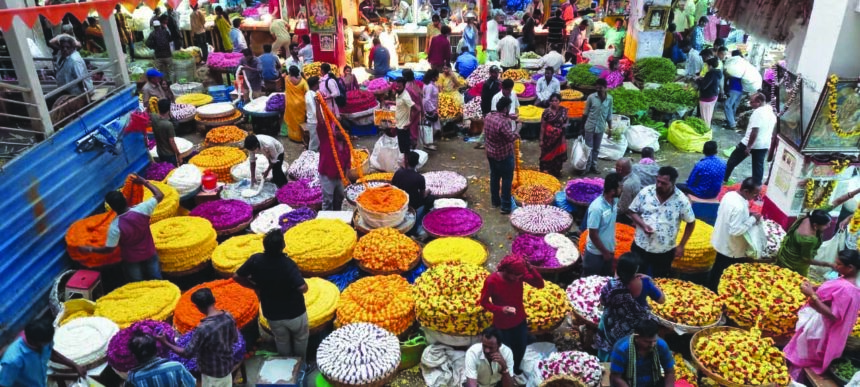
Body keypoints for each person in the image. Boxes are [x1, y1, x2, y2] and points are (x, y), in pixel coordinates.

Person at [784, 250, 860, 381]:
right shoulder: (845, 278)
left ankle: (795, 380)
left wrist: (811, 296)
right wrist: (815, 288)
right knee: (800, 353)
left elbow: (833, 315)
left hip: (822, 330)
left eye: (839, 264)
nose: (835, 266)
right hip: (818, 325)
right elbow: (832, 292)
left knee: (803, 357)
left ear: (850, 268)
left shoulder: (848, 289)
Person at [235, 230, 309, 357]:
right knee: (300, 338)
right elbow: (302, 287)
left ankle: (287, 364)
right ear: (283, 246)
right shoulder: (287, 264)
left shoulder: (256, 260)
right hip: (294, 311)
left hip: (272, 312)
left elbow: (237, 276)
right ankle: (300, 362)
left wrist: (253, 286)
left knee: (281, 339)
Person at [80, 174, 164, 282]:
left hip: (131, 259)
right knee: (157, 280)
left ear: (112, 207)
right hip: (149, 252)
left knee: (137, 284)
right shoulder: (142, 209)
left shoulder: (115, 227)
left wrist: (90, 248)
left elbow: (109, 249)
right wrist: (144, 182)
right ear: (124, 198)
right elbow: (159, 195)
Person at [158, 288, 239, 387]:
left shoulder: (203, 328)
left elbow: (187, 353)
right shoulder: (228, 316)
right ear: (214, 299)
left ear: (198, 307)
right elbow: (235, 339)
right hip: (226, 366)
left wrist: (166, 342)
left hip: (212, 374)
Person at [480, 254, 544, 378]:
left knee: (520, 347)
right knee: (505, 351)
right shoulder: (492, 281)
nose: (516, 279)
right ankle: (504, 374)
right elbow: (484, 302)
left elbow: (539, 284)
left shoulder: (519, 276)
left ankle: (516, 369)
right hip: (502, 324)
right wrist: (501, 309)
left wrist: (531, 269)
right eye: (514, 275)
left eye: (519, 276)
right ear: (505, 270)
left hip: (519, 319)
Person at [628, 166, 696, 278]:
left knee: (660, 280)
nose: (659, 185)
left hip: (664, 250)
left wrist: (682, 245)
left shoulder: (681, 201)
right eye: (658, 181)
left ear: (673, 183)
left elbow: (691, 222)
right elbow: (632, 211)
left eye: (664, 183)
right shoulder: (646, 192)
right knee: (637, 277)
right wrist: (643, 225)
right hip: (641, 245)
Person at [775, 188, 860, 276]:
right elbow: (806, 259)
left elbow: (838, 201)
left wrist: (857, 191)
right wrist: (827, 264)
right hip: (794, 264)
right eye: (826, 225)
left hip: (786, 252)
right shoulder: (808, 239)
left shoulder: (812, 215)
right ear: (815, 226)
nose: (829, 226)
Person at [596, 253, 664, 359]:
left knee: (604, 318)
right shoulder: (645, 283)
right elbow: (662, 300)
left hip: (612, 324)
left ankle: (605, 359)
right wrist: (650, 281)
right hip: (635, 326)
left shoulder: (612, 285)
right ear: (636, 270)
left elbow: (603, 302)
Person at [709, 177, 761, 291]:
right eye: (755, 194)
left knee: (718, 268)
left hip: (721, 240)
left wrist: (748, 215)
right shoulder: (739, 207)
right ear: (746, 191)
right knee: (724, 273)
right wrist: (752, 219)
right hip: (730, 247)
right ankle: (717, 291)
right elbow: (735, 230)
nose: (756, 197)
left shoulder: (730, 195)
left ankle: (712, 287)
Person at [0, 319, 85, 386]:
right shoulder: (13, 361)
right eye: (47, 342)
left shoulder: (43, 340)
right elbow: (4, 384)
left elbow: (51, 353)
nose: (49, 343)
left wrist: (74, 365)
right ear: (35, 342)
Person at [724, 93, 776, 185]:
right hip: (763, 144)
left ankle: (724, 179)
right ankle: (757, 187)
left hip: (749, 143)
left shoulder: (758, 112)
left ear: (758, 102)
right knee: (758, 168)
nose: (750, 104)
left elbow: (755, 131)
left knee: (732, 160)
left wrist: (749, 147)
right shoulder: (771, 111)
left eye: (752, 102)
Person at [609, 319, 676, 387]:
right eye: (647, 342)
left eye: (654, 341)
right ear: (637, 337)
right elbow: (616, 378)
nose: (652, 345)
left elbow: (669, 372)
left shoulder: (661, 345)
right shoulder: (622, 349)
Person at [315, 88, 351, 211]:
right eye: (342, 131)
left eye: (346, 132)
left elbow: (347, 163)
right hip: (327, 176)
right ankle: (327, 220)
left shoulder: (346, 144)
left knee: (340, 197)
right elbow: (320, 122)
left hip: (339, 177)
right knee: (327, 200)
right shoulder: (327, 137)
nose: (344, 134)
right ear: (336, 130)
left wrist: (346, 178)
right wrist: (317, 104)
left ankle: (337, 216)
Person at [484, 97, 519, 215]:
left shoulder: (488, 116)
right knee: (506, 180)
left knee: (494, 177)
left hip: (491, 153)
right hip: (504, 155)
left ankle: (495, 201)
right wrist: (518, 128)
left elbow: (498, 120)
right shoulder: (504, 122)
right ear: (505, 108)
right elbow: (511, 137)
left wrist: (508, 117)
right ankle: (505, 206)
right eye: (508, 108)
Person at [584, 173, 623, 276]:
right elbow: (593, 234)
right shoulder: (596, 208)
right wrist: (605, 252)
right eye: (620, 187)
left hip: (609, 249)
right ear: (612, 191)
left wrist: (609, 251)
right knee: (591, 280)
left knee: (604, 279)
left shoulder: (614, 201)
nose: (622, 189)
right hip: (596, 253)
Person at [126, 333, 196, 386]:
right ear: (156, 350)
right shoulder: (177, 367)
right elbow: (191, 385)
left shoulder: (133, 378)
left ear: (134, 355)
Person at [392, 151, 431, 236]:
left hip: (399, 201)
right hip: (412, 203)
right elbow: (423, 195)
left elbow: (393, 188)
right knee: (431, 199)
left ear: (406, 161)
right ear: (417, 163)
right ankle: (420, 221)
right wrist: (428, 192)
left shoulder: (398, 173)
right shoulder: (420, 178)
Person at [582, 78, 613, 175]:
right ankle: (586, 167)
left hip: (600, 127)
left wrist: (610, 128)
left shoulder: (609, 99)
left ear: (605, 88)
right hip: (590, 127)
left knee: (596, 148)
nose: (598, 90)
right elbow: (585, 113)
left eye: (601, 88)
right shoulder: (591, 98)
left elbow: (609, 114)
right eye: (597, 88)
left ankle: (593, 166)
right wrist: (581, 128)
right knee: (588, 148)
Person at [539, 93, 568, 176]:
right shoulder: (546, 112)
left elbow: (566, 121)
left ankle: (556, 171)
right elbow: (543, 126)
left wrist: (561, 128)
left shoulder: (563, 110)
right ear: (550, 102)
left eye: (556, 101)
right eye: (552, 101)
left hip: (559, 138)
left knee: (558, 155)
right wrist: (541, 140)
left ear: (559, 101)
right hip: (548, 138)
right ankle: (545, 171)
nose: (554, 102)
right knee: (546, 154)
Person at [475, 66, 502, 150]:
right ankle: (480, 142)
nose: (496, 74)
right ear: (490, 73)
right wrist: (485, 111)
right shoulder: (488, 84)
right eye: (494, 72)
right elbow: (484, 98)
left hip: (495, 108)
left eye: (497, 72)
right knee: (488, 127)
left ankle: (481, 142)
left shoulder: (497, 82)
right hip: (488, 109)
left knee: (488, 127)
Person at [150, 99, 182, 166]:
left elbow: (146, 112)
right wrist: (178, 153)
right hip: (169, 154)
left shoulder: (153, 117)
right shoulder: (168, 125)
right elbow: (171, 141)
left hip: (159, 152)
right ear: (168, 109)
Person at [394, 77, 418, 155]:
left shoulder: (405, 97)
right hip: (398, 124)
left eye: (399, 87)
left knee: (405, 149)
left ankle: (407, 164)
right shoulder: (398, 93)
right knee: (402, 147)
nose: (397, 88)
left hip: (403, 126)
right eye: (396, 86)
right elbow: (400, 105)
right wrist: (389, 102)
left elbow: (417, 109)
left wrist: (410, 122)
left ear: (404, 86)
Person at [282, 66, 308, 139]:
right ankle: (300, 137)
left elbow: (283, 75)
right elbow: (308, 92)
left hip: (290, 103)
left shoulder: (287, 79)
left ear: (290, 72)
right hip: (300, 104)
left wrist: (285, 73)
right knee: (299, 120)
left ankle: (292, 136)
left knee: (291, 120)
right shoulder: (303, 81)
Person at [696, 57, 721, 128]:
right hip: (713, 96)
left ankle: (706, 132)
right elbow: (710, 82)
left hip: (707, 98)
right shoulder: (717, 73)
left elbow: (704, 86)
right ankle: (707, 129)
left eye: (706, 65)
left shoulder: (711, 73)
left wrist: (697, 80)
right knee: (708, 115)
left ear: (710, 65)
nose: (706, 67)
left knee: (705, 117)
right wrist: (702, 78)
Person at [616, 158, 640, 226]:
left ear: (620, 170)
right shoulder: (635, 176)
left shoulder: (627, 185)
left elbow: (622, 209)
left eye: (616, 168)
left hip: (629, 216)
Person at [422, 69, 440, 151]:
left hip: (432, 108)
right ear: (433, 77)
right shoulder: (430, 86)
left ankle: (429, 142)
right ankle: (428, 143)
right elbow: (427, 99)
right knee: (431, 127)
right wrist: (432, 109)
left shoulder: (431, 85)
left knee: (433, 127)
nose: (438, 77)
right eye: (437, 75)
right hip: (430, 109)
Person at [304, 76, 320, 151]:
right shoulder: (310, 95)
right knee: (314, 142)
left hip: (314, 120)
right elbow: (314, 109)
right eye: (318, 83)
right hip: (314, 121)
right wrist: (320, 119)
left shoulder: (312, 93)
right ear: (315, 84)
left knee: (316, 140)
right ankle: (310, 156)